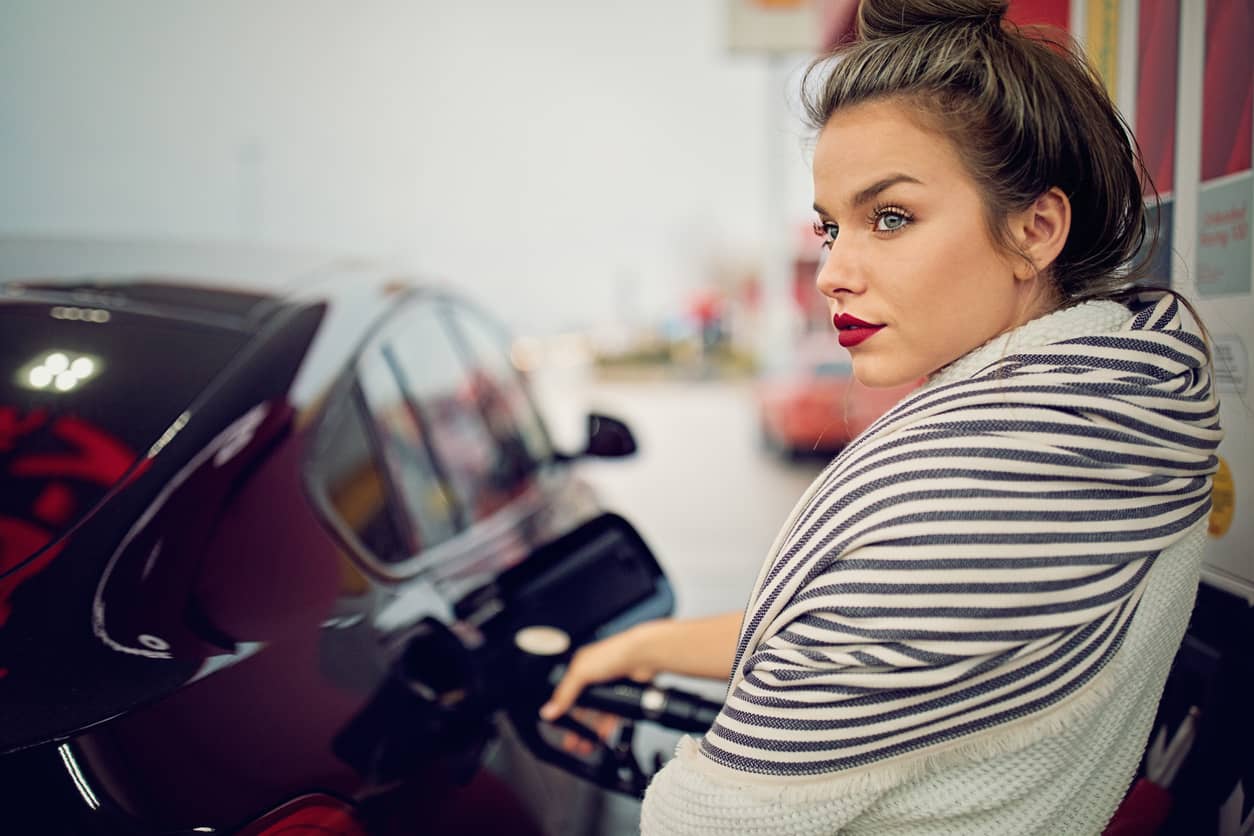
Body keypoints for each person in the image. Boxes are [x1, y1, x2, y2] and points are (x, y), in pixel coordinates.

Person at [543, 0, 1223, 832]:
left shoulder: (976, 490)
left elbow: (710, 820)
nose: (834, 271)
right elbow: (861, 637)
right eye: (832, 228)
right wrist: (642, 647)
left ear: (1035, 229)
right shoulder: (1119, 414)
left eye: (890, 217)